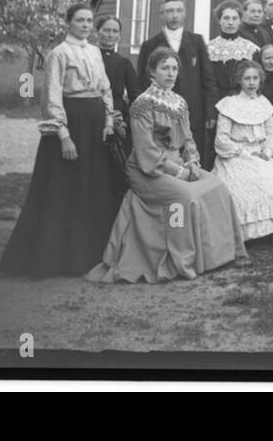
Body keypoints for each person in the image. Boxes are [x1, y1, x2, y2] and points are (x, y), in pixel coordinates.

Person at [85, 47, 247, 282]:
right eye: (164, 68)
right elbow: (145, 150)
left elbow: (188, 138)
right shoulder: (142, 104)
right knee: (182, 200)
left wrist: (192, 161)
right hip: (147, 170)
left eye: (174, 68)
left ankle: (218, 255)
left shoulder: (179, 102)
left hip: (179, 163)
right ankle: (179, 259)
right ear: (152, 71)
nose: (170, 73)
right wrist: (179, 172)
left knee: (218, 187)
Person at [0, 3, 126, 278]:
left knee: (92, 190)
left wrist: (108, 122)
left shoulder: (94, 51)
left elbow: (105, 89)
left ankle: (90, 256)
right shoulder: (58, 54)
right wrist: (64, 136)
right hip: (72, 123)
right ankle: (59, 259)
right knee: (65, 189)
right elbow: (52, 97)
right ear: (68, 22)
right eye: (79, 20)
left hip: (95, 126)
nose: (85, 25)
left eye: (89, 21)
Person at [211, 59, 273, 241]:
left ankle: (272, 231)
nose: (251, 83)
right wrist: (245, 153)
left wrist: (268, 151)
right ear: (239, 80)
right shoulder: (229, 104)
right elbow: (222, 139)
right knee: (244, 187)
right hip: (236, 155)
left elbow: (272, 133)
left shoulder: (264, 103)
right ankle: (245, 236)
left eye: (255, 78)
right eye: (247, 78)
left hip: (262, 153)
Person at [136, 0, 217, 161]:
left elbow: (208, 79)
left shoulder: (196, 41)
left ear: (185, 13)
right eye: (170, 11)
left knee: (195, 156)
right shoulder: (150, 45)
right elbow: (142, 81)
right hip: (161, 115)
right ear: (162, 14)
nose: (174, 15)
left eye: (179, 10)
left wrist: (210, 112)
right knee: (168, 156)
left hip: (194, 113)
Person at [95, 14, 139, 152]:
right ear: (98, 32)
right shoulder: (88, 58)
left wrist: (127, 119)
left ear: (119, 35)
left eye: (115, 31)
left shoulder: (123, 63)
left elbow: (136, 96)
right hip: (93, 111)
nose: (111, 35)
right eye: (107, 30)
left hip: (118, 115)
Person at [206, 0, 260, 104]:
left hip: (245, 103)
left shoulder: (251, 49)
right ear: (219, 20)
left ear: (240, 20)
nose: (230, 22)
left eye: (235, 18)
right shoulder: (209, 49)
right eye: (226, 18)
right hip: (216, 102)